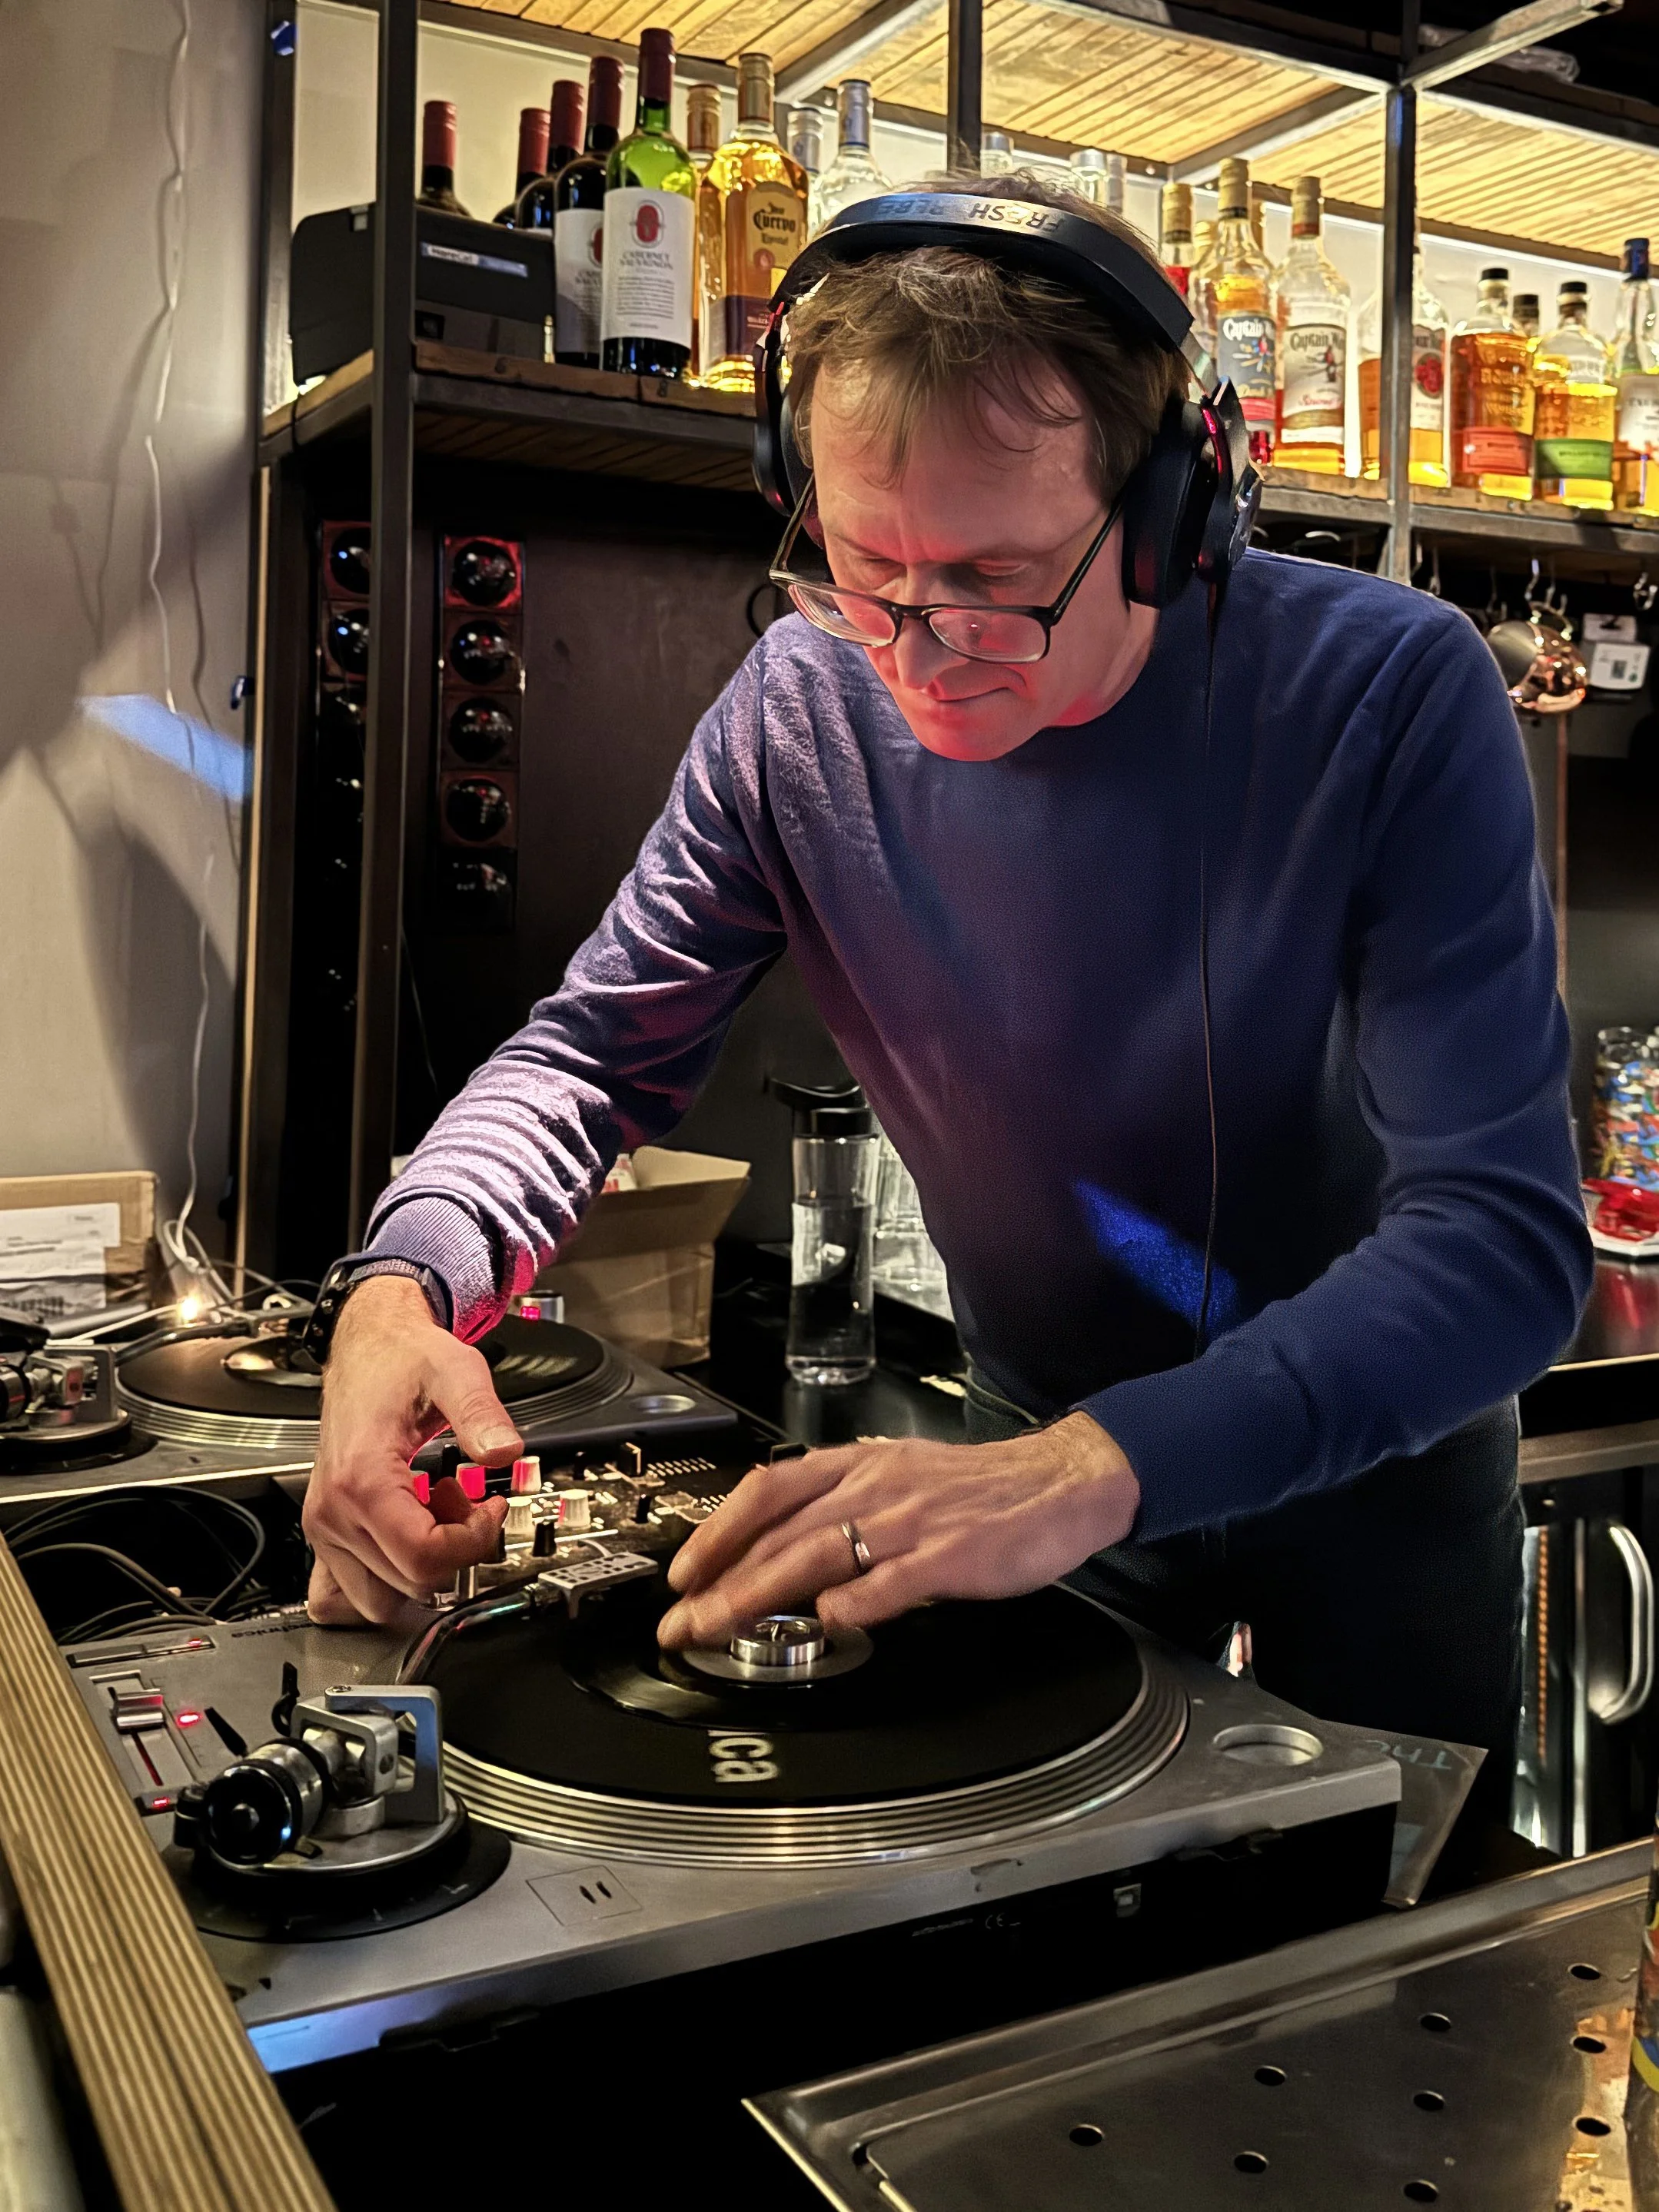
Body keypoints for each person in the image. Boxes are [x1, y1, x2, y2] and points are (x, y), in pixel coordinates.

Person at [302, 173, 1591, 1799]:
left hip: (1375, 1464)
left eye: (993, 580)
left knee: (1404, 1935)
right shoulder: (796, 702)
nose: (913, 650)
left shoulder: (1394, 692)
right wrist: (401, 1284)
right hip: (1038, 1453)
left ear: (1169, 509)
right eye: (862, 564)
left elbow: (1499, 1245)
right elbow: (585, 1062)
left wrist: (1094, 1465)